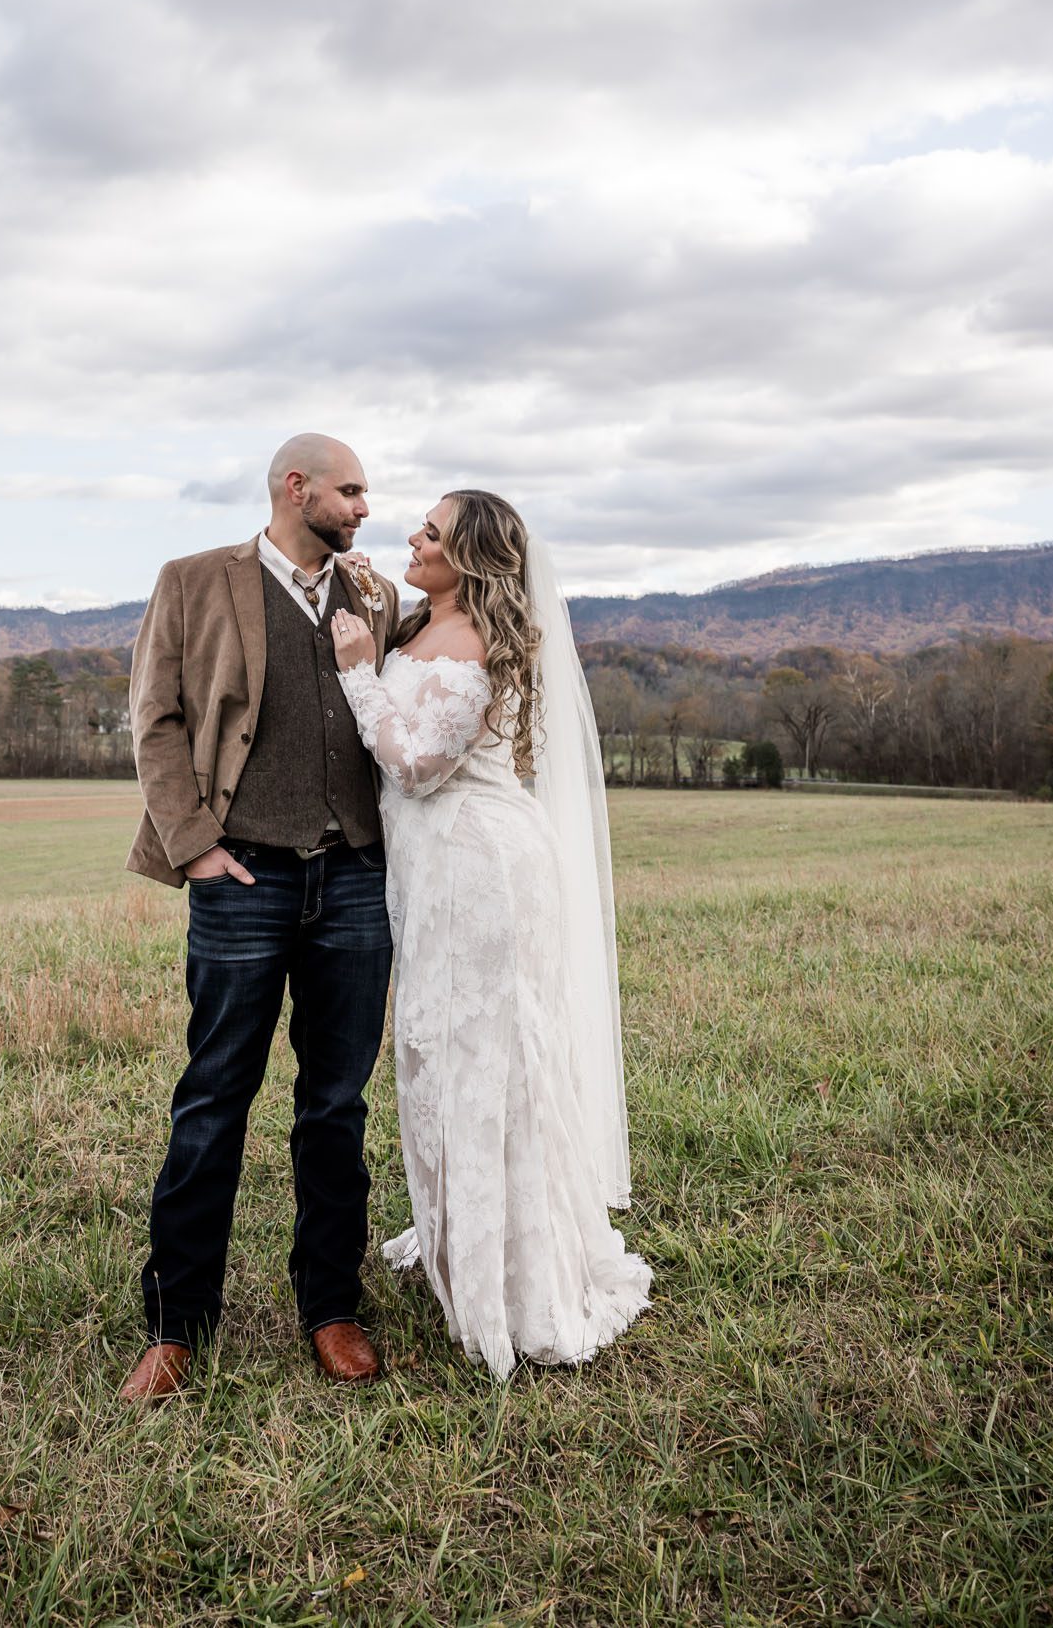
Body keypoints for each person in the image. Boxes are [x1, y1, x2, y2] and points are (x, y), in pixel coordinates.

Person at [329, 489, 654, 1379]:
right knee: (437, 1049)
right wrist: (369, 616)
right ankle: (458, 1235)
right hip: (431, 872)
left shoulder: (471, 639)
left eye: (429, 533)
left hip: (478, 870)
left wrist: (358, 670)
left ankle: (515, 1273)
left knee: (488, 1053)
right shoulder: (424, 625)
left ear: (468, 557)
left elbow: (421, 765)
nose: (410, 537)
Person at [119, 433, 402, 1403]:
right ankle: (175, 1324)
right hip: (243, 880)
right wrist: (194, 843)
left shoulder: (372, 593)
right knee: (212, 1101)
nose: (364, 507)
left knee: (335, 1105)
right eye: (350, 490)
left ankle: (331, 1308)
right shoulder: (194, 580)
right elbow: (153, 716)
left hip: (355, 880)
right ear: (297, 487)